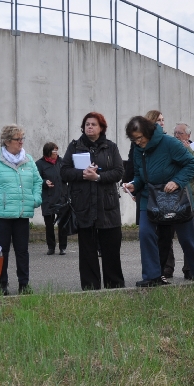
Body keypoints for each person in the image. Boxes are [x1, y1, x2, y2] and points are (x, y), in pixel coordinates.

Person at [123, 115, 194, 289]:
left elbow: (191, 164)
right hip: (149, 197)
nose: (137, 143)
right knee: (145, 233)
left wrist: (177, 181)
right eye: (134, 140)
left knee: (187, 238)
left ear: (149, 132)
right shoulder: (137, 148)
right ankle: (152, 276)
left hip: (176, 197)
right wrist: (134, 185)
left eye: (140, 138)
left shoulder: (169, 143)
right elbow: (139, 174)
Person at [61, 113, 126, 290]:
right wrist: (82, 174)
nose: (90, 127)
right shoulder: (75, 146)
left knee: (111, 248)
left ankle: (115, 286)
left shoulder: (110, 147)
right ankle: (90, 287)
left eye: (94, 124)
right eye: (87, 124)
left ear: (101, 128)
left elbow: (119, 172)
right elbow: (64, 171)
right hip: (84, 205)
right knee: (87, 251)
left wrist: (97, 177)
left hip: (107, 206)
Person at [0, 125, 43, 295]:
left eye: (22, 138)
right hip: (1, 215)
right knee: (2, 252)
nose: (21, 142)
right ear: (7, 141)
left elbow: (38, 182)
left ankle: (24, 284)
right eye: (17, 139)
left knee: (23, 251)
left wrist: (36, 199)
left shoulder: (28, 160)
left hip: (22, 214)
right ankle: (2, 284)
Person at [169, 123, 194, 281]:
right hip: (170, 197)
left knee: (189, 236)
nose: (177, 135)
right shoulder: (169, 147)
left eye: (180, 133)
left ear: (188, 136)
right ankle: (167, 268)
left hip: (189, 197)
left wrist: (189, 150)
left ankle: (190, 269)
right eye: (175, 132)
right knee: (167, 234)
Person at [123, 109, 164, 231]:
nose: (161, 123)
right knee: (147, 229)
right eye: (158, 120)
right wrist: (133, 188)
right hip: (144, 188)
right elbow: (133, 165)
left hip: (162, 190)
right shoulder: (138, 143)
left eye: (163, 120)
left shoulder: (166, 140)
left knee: (163, 232)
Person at [35, 142, 69, 255]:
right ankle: (51, 247)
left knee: (63, 224)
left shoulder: (62, 162)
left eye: (57, 150)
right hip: (48, 198)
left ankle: (63, 247)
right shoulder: (39, 164)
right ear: (48, 152)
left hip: (62, 197)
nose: (56, 153)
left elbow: (68, 175)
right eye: (54, 151)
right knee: (49, 224)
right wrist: (45, 182)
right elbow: (36, 180)